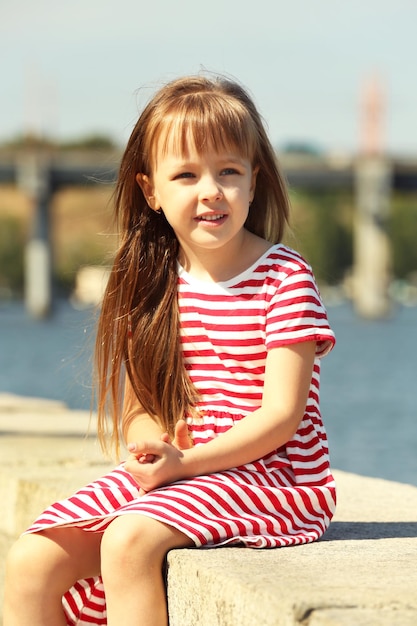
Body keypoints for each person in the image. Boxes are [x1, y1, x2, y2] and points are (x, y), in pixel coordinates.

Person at [4, 74, 336, 626]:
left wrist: (188, 463)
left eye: (229, 171)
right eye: (186, 174)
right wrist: (150, 447)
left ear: (254, 183)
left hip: (273, 476)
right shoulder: (152, 282)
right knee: (31, 560)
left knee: (129, 541)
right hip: (184, 469)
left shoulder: (284, 278)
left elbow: (282, 417)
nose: (211, 190)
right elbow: (139, 408)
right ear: (151, 190)